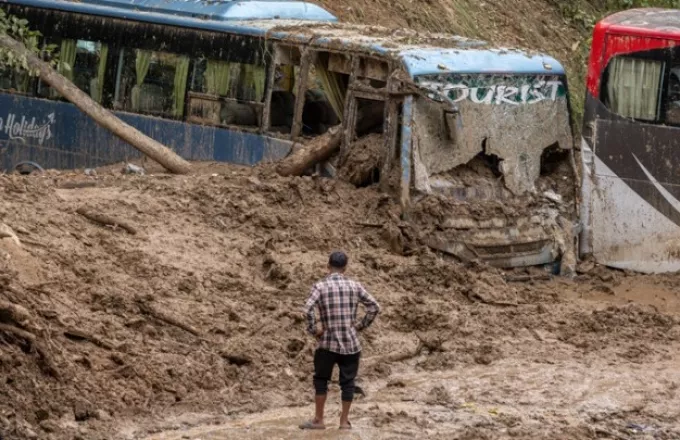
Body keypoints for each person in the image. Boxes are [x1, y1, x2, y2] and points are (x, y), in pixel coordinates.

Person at [299, 251, 381, 430]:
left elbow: (307, 310)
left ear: (328, 267)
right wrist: (359, 327)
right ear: (345, 268)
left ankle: (319, 420)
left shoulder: (320, 286)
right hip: (350, 343)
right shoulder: (355, 285)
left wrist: (315, 331)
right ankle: (344, 422)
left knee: (321, 380)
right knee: (348, 383)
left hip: (327, 343)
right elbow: (374, 307)